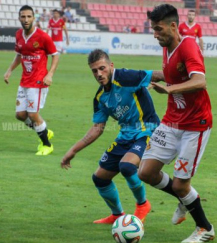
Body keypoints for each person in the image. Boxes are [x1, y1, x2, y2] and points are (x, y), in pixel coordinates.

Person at [139, 4, 215, 243]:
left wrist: (169, 89)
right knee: (146, 172)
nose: (155, 34)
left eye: (158, 29)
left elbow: (200, 81)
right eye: (153, 29)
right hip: (172, 121)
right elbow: (167, 74)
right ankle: (185, 199)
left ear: (173, 26)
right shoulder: (167, 47)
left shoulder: (188, 45)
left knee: (182, 184)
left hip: (195, 124)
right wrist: (130, 76)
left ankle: (205, 228)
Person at [61, 49, 164, 224]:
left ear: (111, 66)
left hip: (148, 130)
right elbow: (97, 128)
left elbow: (158, 75)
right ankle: (117, 214)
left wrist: (186, 81)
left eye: (102, 68)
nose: (99, 74)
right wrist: (73, 150)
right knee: (99, 178)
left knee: (126, 166)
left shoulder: (126, 77)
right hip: (126, 135)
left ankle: (142, 205)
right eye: (94, 71)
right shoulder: (101, 97)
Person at [3, 5, 60, 156]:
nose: (26, 19)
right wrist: (9, 70)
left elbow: (55, 54)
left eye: (29, 16)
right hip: (24, 81)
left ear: (34, 18)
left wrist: (50, 74)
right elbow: (19, 55)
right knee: (20, 115)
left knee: (33, 115)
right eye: (23, 16)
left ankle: (47, 145)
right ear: (19, 18)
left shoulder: (42, 36)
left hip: (39, 81)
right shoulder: (18, 35)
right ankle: (44, 131)